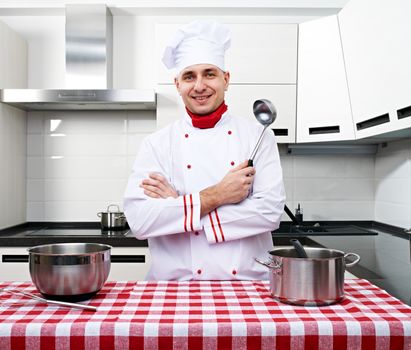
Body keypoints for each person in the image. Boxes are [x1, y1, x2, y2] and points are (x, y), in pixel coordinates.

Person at [123, 20, 285, 281]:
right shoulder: (156, 144)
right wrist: (216, 195)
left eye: (209, 73)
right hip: (174, 288)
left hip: (246, 285)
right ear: (177, 85)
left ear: (226, 79)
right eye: (189, 76)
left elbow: (269, 213)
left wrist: (178, 206)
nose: (199, 86)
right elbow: (140, 222)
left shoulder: (259, 136)